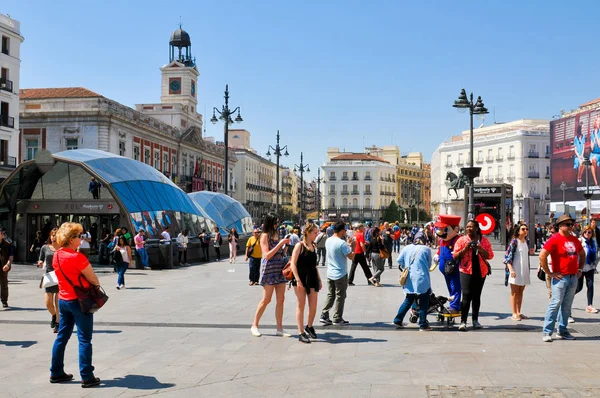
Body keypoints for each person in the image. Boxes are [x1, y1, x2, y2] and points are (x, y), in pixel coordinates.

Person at [50, 222, 101, 388]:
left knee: (62, 336)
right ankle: (87, 375)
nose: (81, 239)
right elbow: (93, 279)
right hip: (80, 301)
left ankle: (56, 372)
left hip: (63, 300)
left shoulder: (56, 255)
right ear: (71, 239)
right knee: (84, 339)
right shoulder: (78, 257)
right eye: (79, 236)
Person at [539, 214, 585, 342]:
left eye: (571, 224)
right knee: (555, 303)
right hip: (560, 277)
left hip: (573, 276)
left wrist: (580, 269)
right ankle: (547, 332)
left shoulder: (574, 240)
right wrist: (549, 272)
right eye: (568, 224)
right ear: (560, 226)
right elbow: (542, 255)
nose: (571, 226)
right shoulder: (555, 239)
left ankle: (562, 331)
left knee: (567, 306)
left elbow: (582, 254)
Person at [251, 213, 291, 337]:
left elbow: (279, 252)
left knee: (281, 299)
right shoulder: (264, 236)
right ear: (270, 222)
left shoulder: (276, 234)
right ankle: (254, 325)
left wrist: (285, 247)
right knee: (266, 299)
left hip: (279, 268)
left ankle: (280, 328)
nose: (277, 224)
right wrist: (280, 243)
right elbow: (267, 255)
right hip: (269, 269)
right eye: (275, 222)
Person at [453, 219, 494, 331]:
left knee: (476, 296)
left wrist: (480, 248)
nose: (469, 229)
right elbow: (455, 256)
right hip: (466, 270)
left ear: (477, 228)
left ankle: (475, 320)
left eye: (471, 227)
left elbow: (490, 255)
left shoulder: (484, 241)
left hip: (481, 271)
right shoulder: (462, 240)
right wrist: (466, 248)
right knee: (466, 295)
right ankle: (463, 321)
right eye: (467, 227)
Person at [393, 232, 433, 331]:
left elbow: (399, 260)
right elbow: (428, 265)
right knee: (424, 301)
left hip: (409, 278)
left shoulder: (406, 248)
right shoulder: (426, 249)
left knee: (409, 299)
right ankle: (423, 324)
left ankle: (398, 319)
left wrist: (405, 266)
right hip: (421, 278)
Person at [319, 220, 356, 326]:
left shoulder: (329, 240)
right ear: (341, 231)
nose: (345, 232)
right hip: (340, 273)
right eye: (344, 230)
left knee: (331, 294)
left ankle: (324, 314)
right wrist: (353, 247)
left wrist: (347, 245)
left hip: (330, 273)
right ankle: (337, 317)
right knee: (341, 295)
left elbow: (338, 250)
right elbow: (351, 257)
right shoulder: (341, 243)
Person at [290, 223, 322, 343]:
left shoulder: (314, 245)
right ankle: (301, 332)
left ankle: (309, 326)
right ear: (308, 233)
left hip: (312, 277)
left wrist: (319, 279)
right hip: (301, 277)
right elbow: (293, 263)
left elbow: (315, 265)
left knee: (313, 306)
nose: (316, 234)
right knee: (301, 305)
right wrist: (297, 279)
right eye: (315, 232)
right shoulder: (299, 245)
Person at [434, 215, 462, 314]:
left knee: (455, 286)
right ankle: (455, 303)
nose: (440, 232)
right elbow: (440, 249)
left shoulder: (458, 240)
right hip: (445, 269)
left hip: (454, 268)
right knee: (451, 286)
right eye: (439, 229)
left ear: (455, 229)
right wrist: (437, 255)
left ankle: (455, 306)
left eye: (444, 229)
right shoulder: (442, 240)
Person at [504, 224, 532, 321]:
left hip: (524, 270)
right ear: (518, 231)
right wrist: (511, 269)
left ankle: (519, 311)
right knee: (514, 292)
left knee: (521, 292)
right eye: (523, 229)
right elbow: (507, 257)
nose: (525, 231)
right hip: (515, 270)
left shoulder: (526, 242)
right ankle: (514, 313)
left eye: (526, 229)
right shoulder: (514, 242)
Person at [38, 228, 60, 332]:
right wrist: (40, 262)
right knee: (48, 303)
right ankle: (54, 315)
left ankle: (58, 323)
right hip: (49, 277)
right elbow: (41, 259)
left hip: (60, 277)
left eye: (55, 235)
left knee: (58, 303)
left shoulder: (63, 248)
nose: (53, 237)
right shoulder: (45, 247)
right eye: (52, 235)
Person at [575, 225, 598, 313]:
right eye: (585, 232)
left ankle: (589, 305)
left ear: (592, 233)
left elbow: (595, 254)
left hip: (590, 267)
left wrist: (594, 265)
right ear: (583, 233)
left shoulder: (593, 242)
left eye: (589, 232)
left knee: (590, 286)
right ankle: (566, 300)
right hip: (580, 268)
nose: (587, 234)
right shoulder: (580, 241)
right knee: (578, 288)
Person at [0, 230, 14, 308]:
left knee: (4, 284)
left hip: (3, 267)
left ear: (1, 234)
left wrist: (8, 265)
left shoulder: (7, 245)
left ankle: (4, 300)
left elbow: (11, 257)